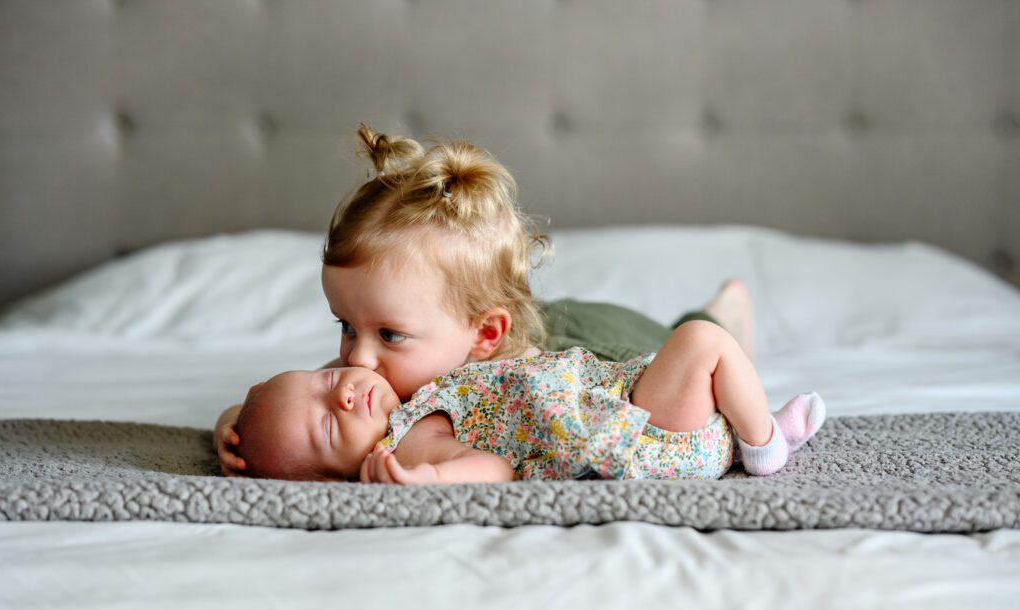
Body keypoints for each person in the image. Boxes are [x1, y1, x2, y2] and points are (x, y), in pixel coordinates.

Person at [214, 123, 757, 476]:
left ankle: (721, 310)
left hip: (598, 344)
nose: (356, 358)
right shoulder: (370, 371)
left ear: (484, 334)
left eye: (388, 334)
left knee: (689, 351)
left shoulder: (417, 363)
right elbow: (300, 405)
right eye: (346, 325)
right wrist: (240, 424)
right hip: (504, 327)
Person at [232, 322, 825, 484]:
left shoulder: (401, 397)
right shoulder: (405, 444)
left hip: (624, 406)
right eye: (329, 427)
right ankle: (766, 446)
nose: (343, 390)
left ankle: (752, 431)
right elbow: (496, 468)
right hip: (645, 439)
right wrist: (435, 481)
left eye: (323, 379)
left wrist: (231, 425)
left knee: (700, 352)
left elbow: (278, 423)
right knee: (704, 341)